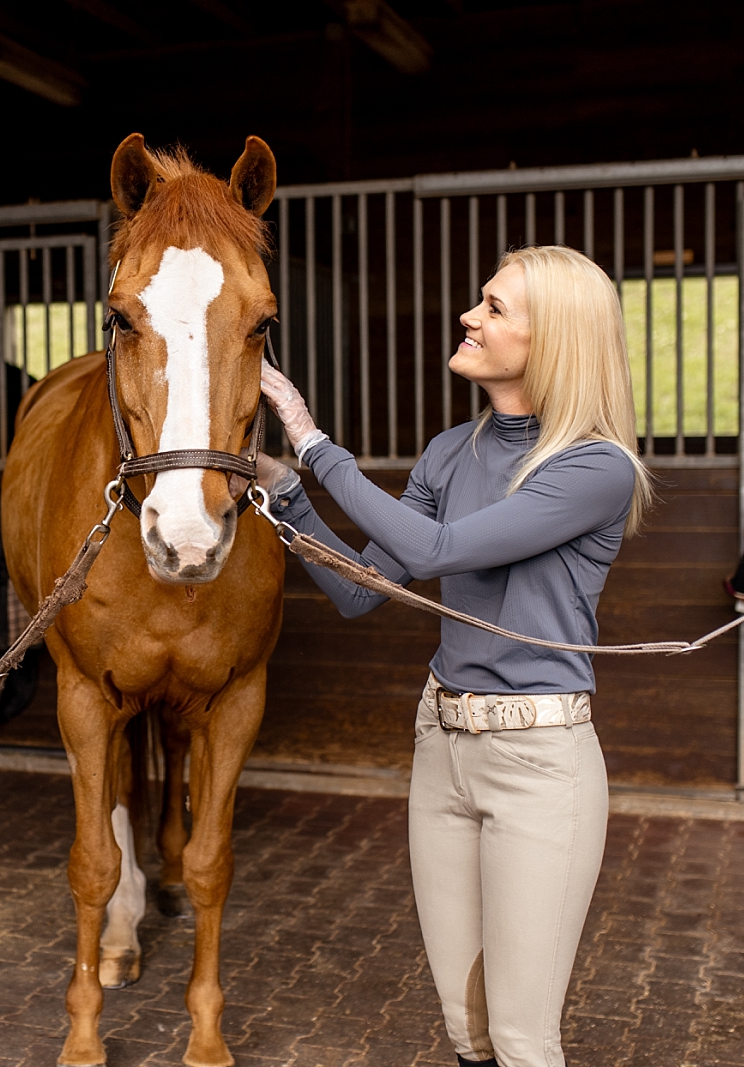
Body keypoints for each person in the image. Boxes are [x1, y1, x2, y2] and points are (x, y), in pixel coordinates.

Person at [254, 245, 653, 1067]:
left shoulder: (594, 468)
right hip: (442, 746)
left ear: (555, 342)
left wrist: (309, 440)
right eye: (481, 300)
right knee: (465, 1027)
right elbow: (365, 587)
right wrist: (284, 494)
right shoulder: (447, 451)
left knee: (519, 1036)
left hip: (538, 764)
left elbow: (434, 550)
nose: (470, 316)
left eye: (496, 308)